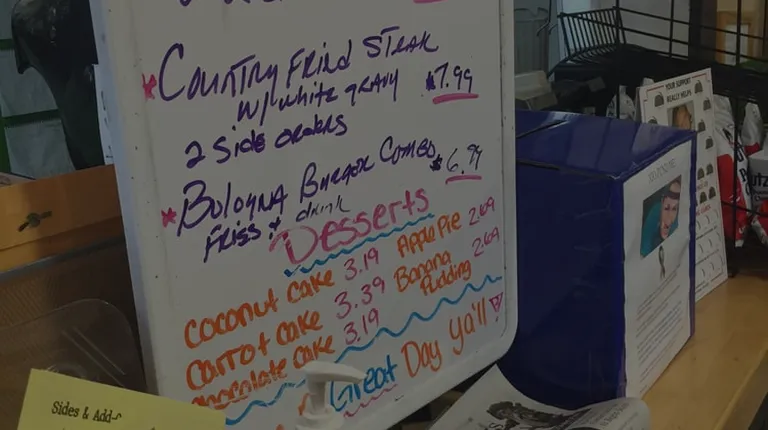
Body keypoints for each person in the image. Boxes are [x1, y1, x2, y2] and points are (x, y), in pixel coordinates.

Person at [641, 178, 681, 256]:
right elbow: (644, 249)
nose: (669, 217)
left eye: (674, 209)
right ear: (662, 202)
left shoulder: (678, 221)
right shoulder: (655, 211)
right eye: (666, 208)